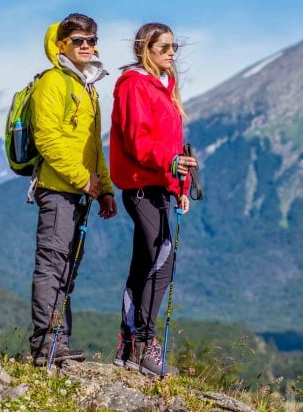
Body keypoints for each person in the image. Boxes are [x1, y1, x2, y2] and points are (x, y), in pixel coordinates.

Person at [29, 13, 118, 365]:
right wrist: (84, 180)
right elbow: (47, 139)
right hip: (57, 190)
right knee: (52, 265)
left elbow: (94, 145)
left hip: (82, 192)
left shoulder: (87, 87)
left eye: (91, 40)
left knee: (68, 268)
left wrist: (105, 188)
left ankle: (58, 342)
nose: (86, 46)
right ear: (62, 44)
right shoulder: (52, 82)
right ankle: (46, 345)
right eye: (79, 40)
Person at [109, 22, 197, 376]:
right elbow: (136, 140)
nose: (172, 53)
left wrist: (181, 186)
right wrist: (170, 163)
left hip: (161, 187)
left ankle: (131, 346)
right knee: (160, 259)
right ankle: (142, 343)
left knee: (149, 261)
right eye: (164, 47)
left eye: (174, 47)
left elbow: (175, 148)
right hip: (141, 187)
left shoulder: (166, 88)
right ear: (146, 49)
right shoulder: (134, 85)